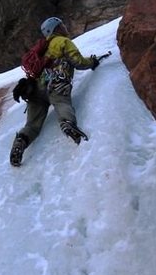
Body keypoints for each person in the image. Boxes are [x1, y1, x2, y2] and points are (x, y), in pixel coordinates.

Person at [10, 17, 103, 167]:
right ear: (57, 29)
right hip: (56, 84)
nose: (65, 27)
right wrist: (92, 62)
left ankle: (21, 140)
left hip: (36, 90)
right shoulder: (63, 42)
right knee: (62, 103)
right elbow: (78, 62)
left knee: (32, 125)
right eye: (62, 24)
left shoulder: (42, 48)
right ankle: (67, 124)